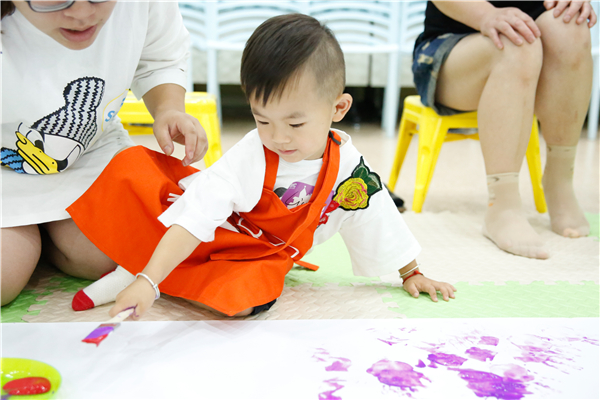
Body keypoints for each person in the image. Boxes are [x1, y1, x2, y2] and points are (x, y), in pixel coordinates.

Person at [67, 13, 457, 319]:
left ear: (338, 108)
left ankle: (152, 275)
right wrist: (149, 282)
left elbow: (375, 214)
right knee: (135, 174)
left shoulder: (349, 166)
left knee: (241, 304)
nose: (279, 137)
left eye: (295, 123)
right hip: (214, 233)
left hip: (257, 254)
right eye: (262, 119)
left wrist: (411, 272)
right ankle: (142, 274)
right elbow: (197, 215)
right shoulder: (251, 156)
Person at [0, 1, 208, 306]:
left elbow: (159, 57)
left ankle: (46, 239)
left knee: (119, 257)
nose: (82, 14)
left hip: (88, 150)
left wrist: (168, 109)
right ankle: (33, 240)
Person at [412, 1, 596, 259]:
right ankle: (502, 204)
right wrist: (486, 15)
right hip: (452, 46)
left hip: (537, 39)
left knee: (570, 27)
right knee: (515, 41)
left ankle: (559, 180)